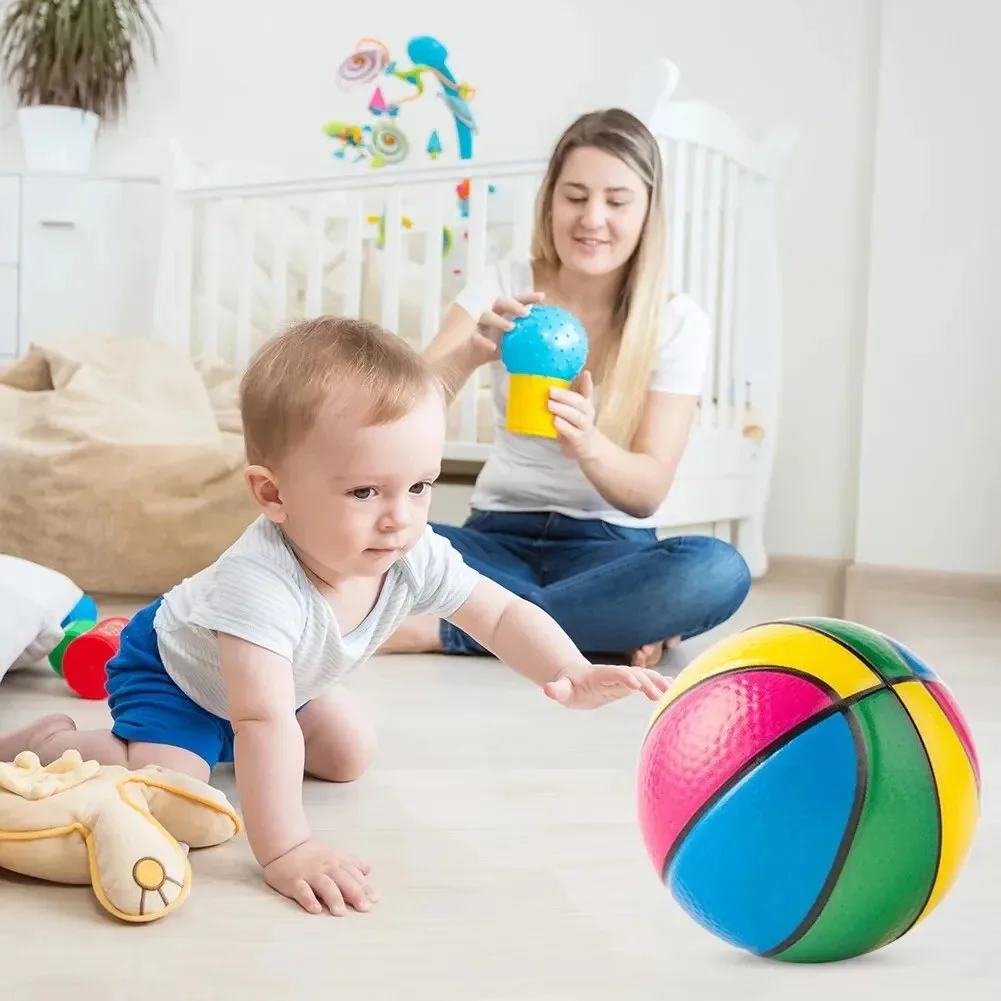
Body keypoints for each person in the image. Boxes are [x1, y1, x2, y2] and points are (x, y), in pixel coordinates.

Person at [0, 317, 669, 918]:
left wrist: (570, 669)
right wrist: (287, 847)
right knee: (176, 789)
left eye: (419, 485)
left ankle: (224, 747)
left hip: (278, 682)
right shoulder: (257, 585)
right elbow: (261, 721)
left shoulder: (409, 548)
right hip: (176, 672)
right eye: (364, 490)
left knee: (347, 751)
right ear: (272, 494)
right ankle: (54, 741)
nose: (399, 515)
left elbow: (498, 613)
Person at [379, 108, 752, 667]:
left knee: (717, 570)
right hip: (495, 539)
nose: (592, 218)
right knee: (360, 535)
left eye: (616, 201)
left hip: (608, 550)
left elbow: (647, 491)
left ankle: (449, 629)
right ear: (550, 201)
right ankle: (597, 625)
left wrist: (590, 446)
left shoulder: (677, 322)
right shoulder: (506, 281)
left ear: (648, 210)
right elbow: (402, 415)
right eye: (575, 197)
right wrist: (471, 351)